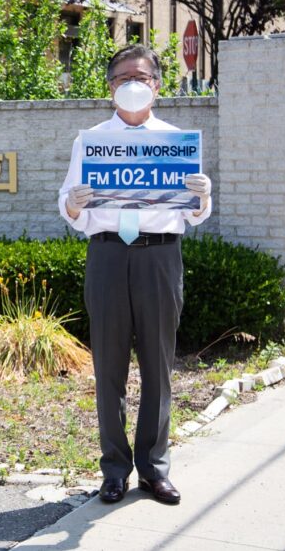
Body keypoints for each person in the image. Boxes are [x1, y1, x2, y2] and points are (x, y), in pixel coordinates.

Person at [58, 44, 212, 505]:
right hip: (108, 254)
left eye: (140, 77)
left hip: (159, 257)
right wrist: (73, 204)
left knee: (158, 367)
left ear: (157, 86)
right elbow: (67, 202)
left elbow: (194, 213)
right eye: (123, 77)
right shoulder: (90, 141)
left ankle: (154, 469)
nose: (132, 84)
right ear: (110, 88)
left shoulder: (175, 141)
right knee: (108, 367)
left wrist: (203, 196)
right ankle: (113, 470)